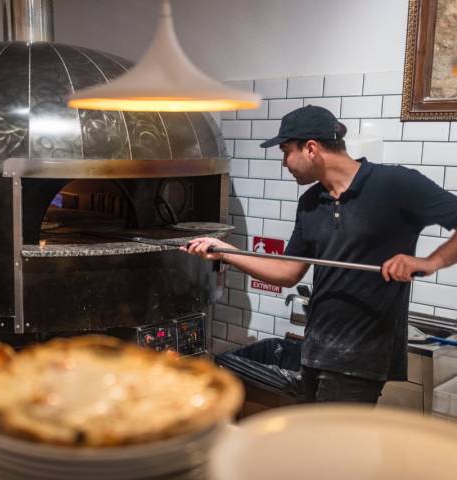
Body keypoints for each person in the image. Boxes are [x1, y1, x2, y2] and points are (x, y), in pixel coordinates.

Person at [183, 105, 457, 404]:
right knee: (315, 444)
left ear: (311, 148)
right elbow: (287, 273)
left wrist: (429, 262)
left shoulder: (396, 184)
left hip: (361, 358)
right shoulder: (311, 202)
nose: (285, 162)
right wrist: (225, 252)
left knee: (335, 449)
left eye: (286, 151)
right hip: (315, 350)